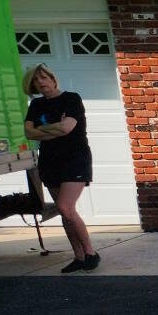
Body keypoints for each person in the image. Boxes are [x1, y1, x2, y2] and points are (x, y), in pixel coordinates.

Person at [22, 64, 99, 272]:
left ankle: (91, 253)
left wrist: (42, 130)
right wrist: (53, 130)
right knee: (64, 212)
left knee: (66, 207)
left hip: (75, 159)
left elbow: (67, 128)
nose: (41, 82)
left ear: (53, 78)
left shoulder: (71, 99)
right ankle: (79, 256)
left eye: (44, 77)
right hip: (50, 161)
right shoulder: (36, 105)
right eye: (36, 80)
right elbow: (29, 134)